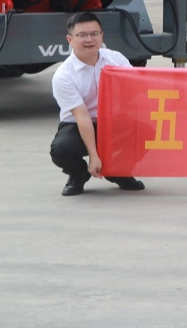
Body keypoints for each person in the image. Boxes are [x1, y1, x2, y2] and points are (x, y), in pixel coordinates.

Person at [49, 11, 145, 196]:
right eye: (82, 35)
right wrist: (94, 156)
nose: (89, 39)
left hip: (112, 119)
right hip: (78, 125)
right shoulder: (63, 75)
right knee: (62, 150)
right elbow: (82, 117)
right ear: (70, 39)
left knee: (146, 132)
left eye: (94, 34)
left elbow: (135, 89)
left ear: (102, 35)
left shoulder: (115, 59)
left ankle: (118, 172)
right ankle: (78, 174)